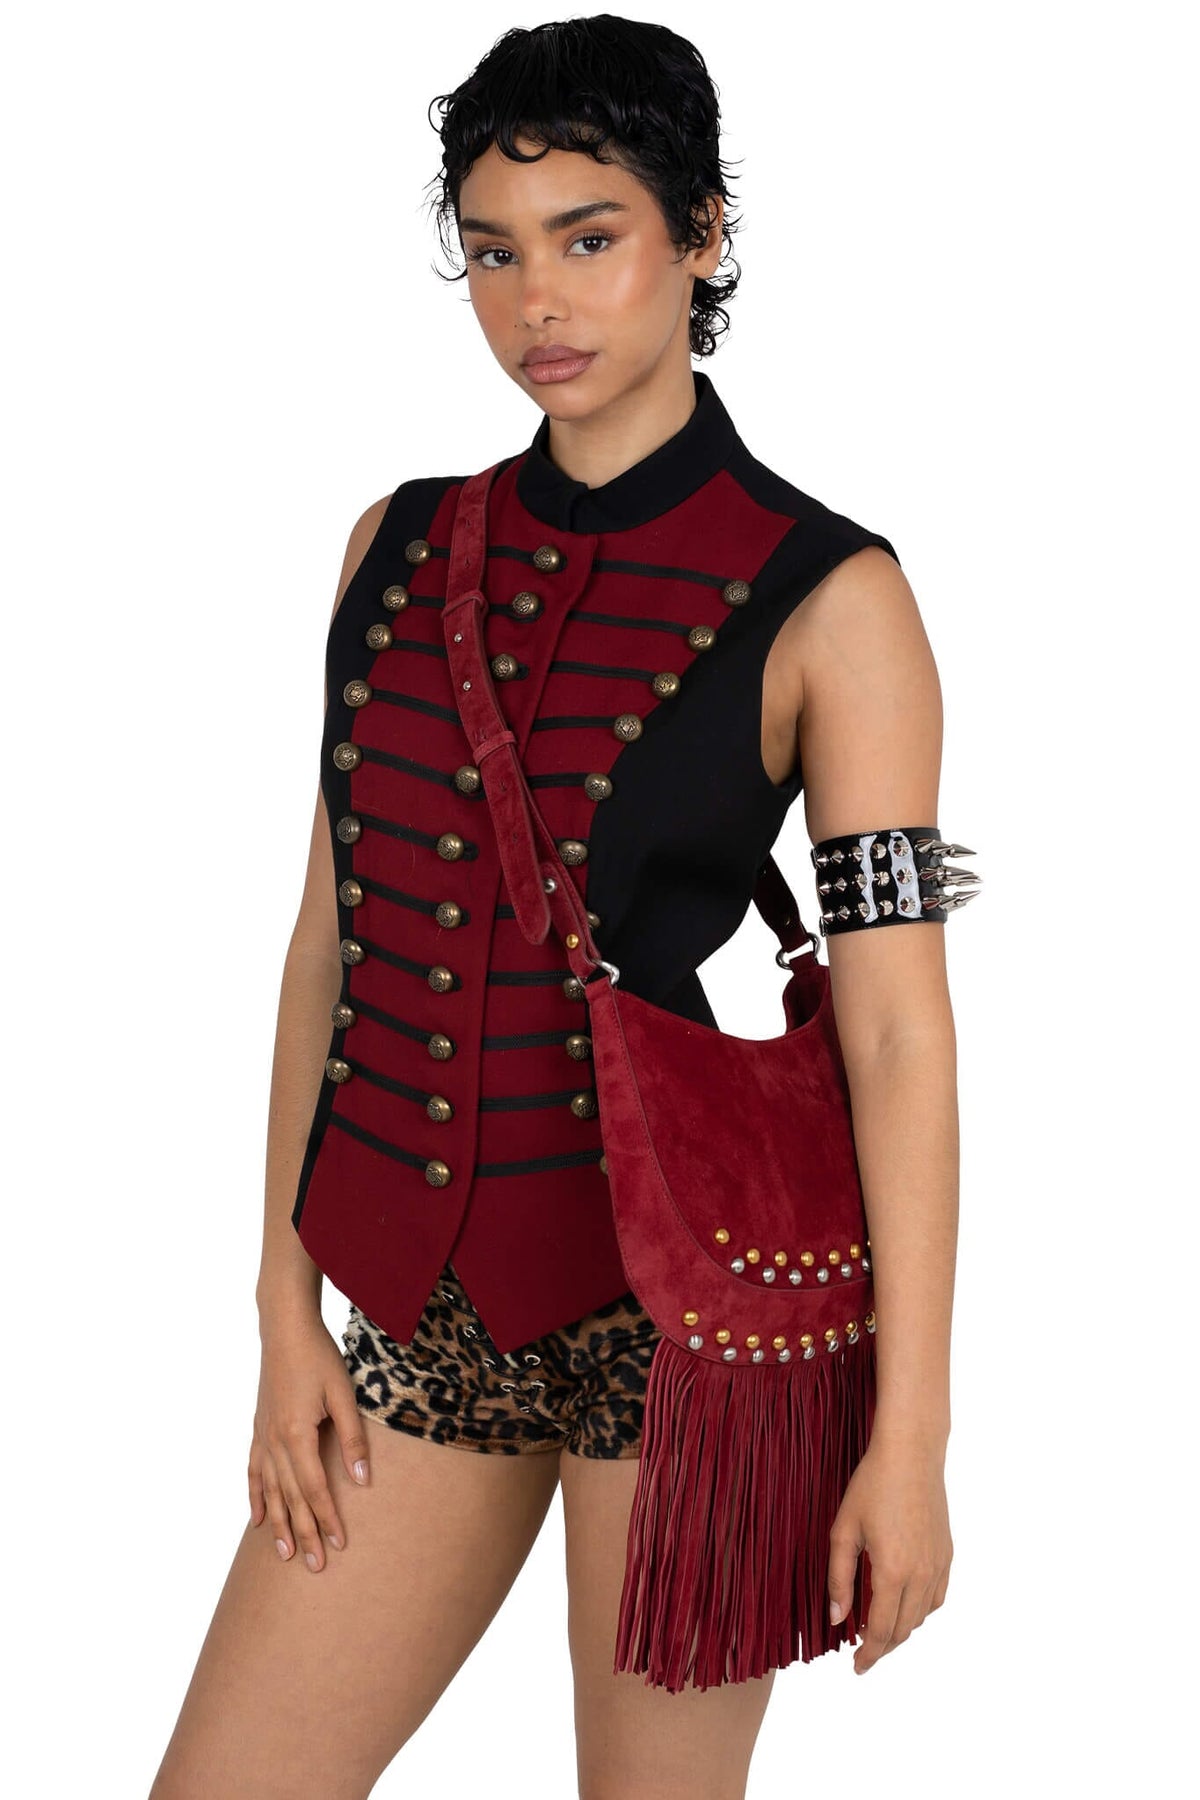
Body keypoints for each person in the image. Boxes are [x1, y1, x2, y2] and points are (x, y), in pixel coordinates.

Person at [150, 15, 967, 1798]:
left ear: (704, 232)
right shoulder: (393, 543)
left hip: (698, 1350)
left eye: (591, 238)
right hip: (417, 1307)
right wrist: (285, 1313)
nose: (539, 301)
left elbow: (900, 1032)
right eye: (495, 251)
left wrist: (909, 1437)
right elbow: (332, 949)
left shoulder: (835, 597)